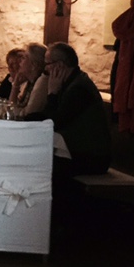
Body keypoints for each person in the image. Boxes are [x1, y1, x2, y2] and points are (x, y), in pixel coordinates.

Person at [24, 42, 111, 175]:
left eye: (47, 64)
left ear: (59, 65)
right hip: (79, 150)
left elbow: (55, 122)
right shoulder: (71, 82)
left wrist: (52, 94)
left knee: (36, 162)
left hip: (92, 157)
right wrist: (26, 119)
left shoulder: (78, 88)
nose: (45, 70)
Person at [12, 43, 49, 117]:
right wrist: (16, 85)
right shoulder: (28, 82)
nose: (20, 61)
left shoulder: (42, 83)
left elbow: (27, 114)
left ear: (34, 65)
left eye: (24, 58)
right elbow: (12, 107)